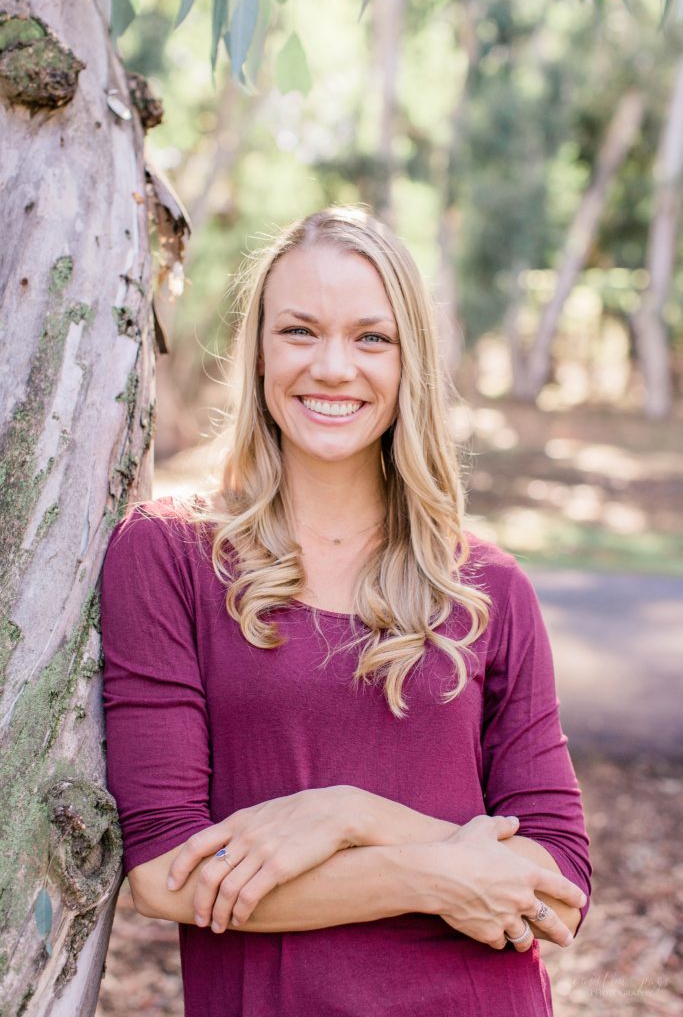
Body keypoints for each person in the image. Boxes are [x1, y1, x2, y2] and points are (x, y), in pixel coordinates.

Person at [101, 205, 591, 1017]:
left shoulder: (486, 587)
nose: (334, 367)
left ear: (409, 364)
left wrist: (344, 814)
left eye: (371, 338)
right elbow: (167, 875)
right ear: (258, 352)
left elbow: (558, 891)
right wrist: (431, 873)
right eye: (299, 331)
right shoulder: (169, 556)